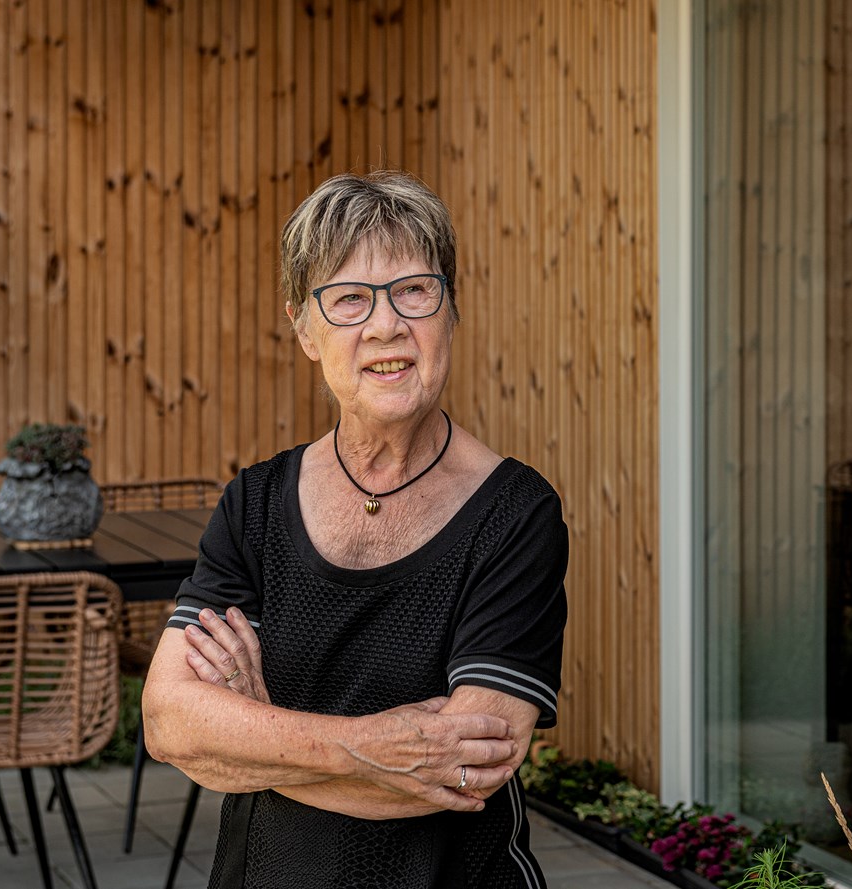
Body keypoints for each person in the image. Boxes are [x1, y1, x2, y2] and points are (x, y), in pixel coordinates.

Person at [143, 170, 569, 889]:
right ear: (305, 331)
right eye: (347, 299)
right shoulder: (255, 503)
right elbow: (168, 719)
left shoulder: (513, 514)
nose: (385, 325)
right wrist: (374, 744)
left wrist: (257, 730)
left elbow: (466, 769)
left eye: (414, 290)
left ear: (451, 311)